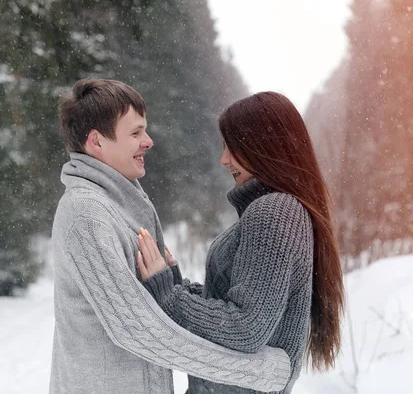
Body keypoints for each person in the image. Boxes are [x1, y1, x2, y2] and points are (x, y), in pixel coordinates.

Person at [49, 79, 293, 394]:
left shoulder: (121, 205)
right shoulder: (86, 215)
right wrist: (259, 373)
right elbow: (138, 331)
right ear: (96, 141)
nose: (148, 141)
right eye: (135, 133)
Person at [137, 91, 345, 394]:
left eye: (232, 147)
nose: (224, 159)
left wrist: (168, 296)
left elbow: (245, 327)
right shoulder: (279, 210)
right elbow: (244, 303)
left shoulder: (273, 212)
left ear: (263, 145)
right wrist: (176, 285)